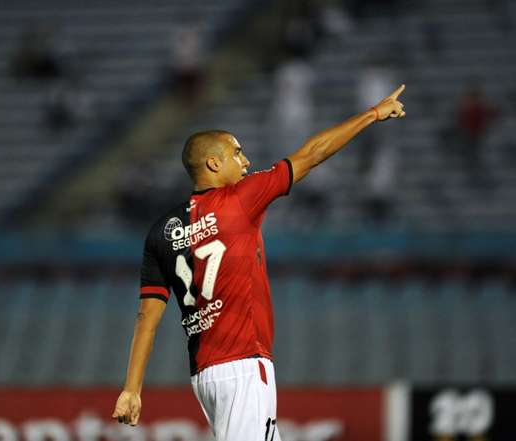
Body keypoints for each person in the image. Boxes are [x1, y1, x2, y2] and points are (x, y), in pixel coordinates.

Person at [112, 84, 407, 440]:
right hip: (242, 367)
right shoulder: (240, 199)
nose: (246, 161)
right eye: (237, 153)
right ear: (213, 163)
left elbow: (147, 317)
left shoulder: (160, 232)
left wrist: (132, 389)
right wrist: (372, 114)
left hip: (204, 375)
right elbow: (312, 153)